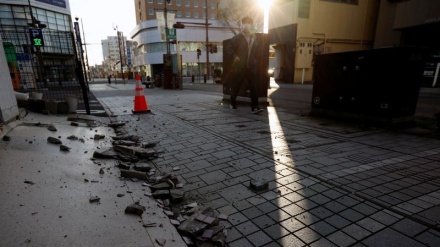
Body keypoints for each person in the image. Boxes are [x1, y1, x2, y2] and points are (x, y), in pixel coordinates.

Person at [227, 16, 263, 114]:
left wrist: (255, 61)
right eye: (244, 23)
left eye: (248, 23)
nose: (246, 25)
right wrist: (235, 57)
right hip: (240, 67)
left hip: (251, 67)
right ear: (242, 25)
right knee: (237, 86)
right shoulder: (237, 38)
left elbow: (256, 51)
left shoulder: (254, 37)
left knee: (254, 87)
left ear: (251, 25)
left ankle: (255, 107)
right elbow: (229, 48)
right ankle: (232, 103)